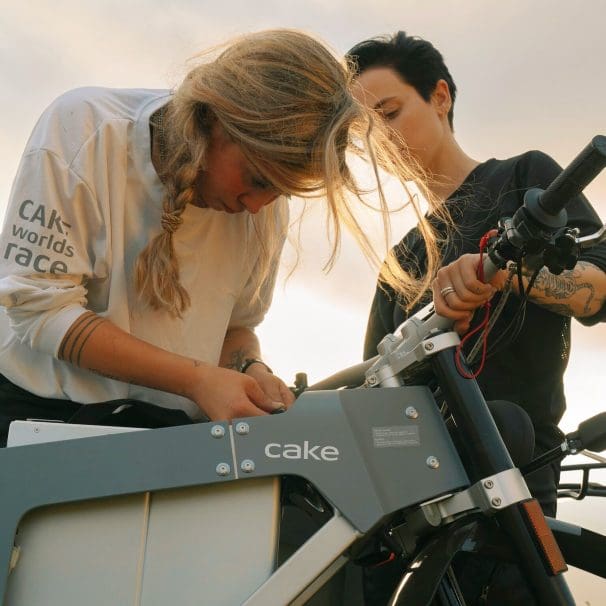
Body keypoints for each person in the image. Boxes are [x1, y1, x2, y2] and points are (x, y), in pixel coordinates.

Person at [0, 29, 436, 447]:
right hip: (37, 420)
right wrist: (196, 379)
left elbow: (235, 328)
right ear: (215, 121)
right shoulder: (84, 130)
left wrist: (250, 367)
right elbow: (40, 308)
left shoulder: (263, 206)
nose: (256, 206)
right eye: (257, 178)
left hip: (166, 436)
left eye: (279, 191)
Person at [346, 31, 606, 604]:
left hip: (516, 476)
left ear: (440, 96)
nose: (380, 139)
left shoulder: (524, 179)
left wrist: (502, 273)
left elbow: (601, 286)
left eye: (389, 113)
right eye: (364, 133)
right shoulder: (401, 258)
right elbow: (373, 390)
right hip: (421, 501)